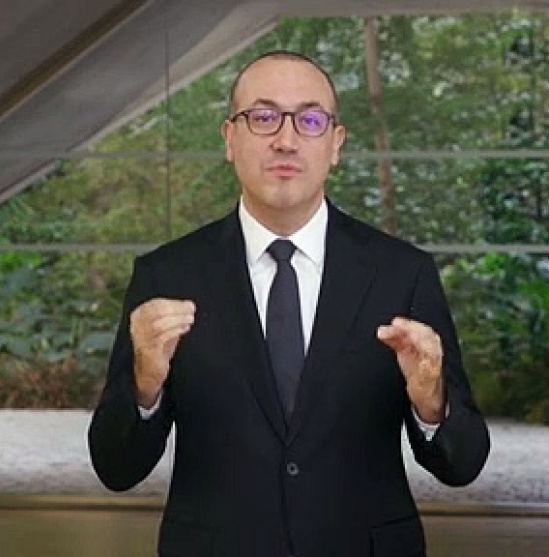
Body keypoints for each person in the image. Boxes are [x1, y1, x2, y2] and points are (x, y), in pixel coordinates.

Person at [88, 50, 490, 557]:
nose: (285, 139)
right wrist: (144, 386)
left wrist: (432, 402)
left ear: (336, 144)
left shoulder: (401, 274)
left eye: (310, 120)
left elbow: (464, 464)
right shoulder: (167, 276)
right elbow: (115, 468)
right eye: (263, 117)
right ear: (230, 139)